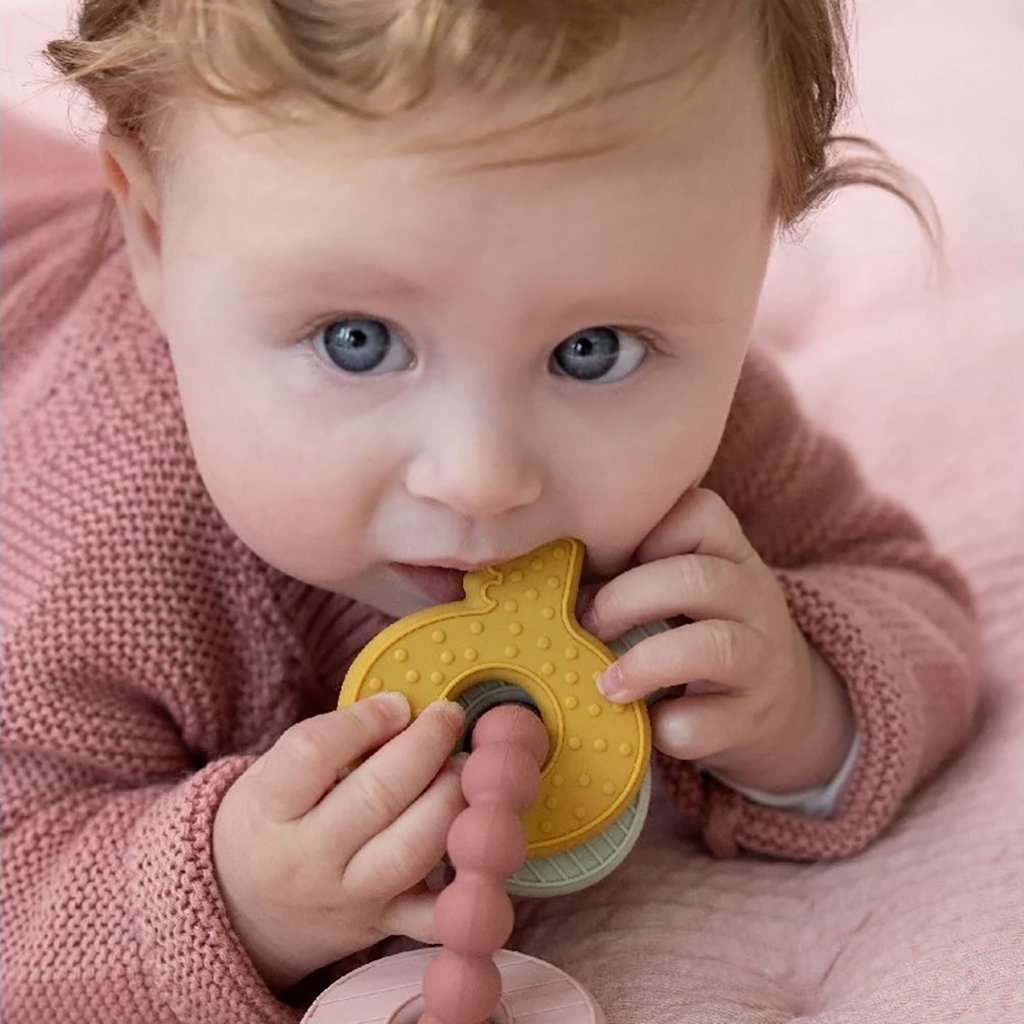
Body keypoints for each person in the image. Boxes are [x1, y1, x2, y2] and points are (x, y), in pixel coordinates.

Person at [0, 2, 980, 1021]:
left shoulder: (705, 439)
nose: (480, 477)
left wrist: (804, 703)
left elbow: (900, 586)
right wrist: (232, 893)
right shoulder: (106, 538)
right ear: (154, 235)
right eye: (357, 342)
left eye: (588, 350)